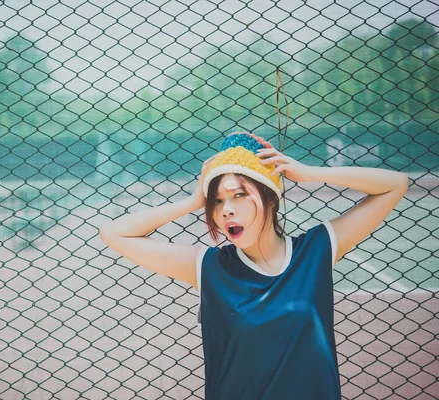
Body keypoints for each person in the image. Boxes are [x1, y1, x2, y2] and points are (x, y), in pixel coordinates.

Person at [99, 131, 409, 399]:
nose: (226, 210)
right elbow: (113, 233)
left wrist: (310, 173)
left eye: (239, 195)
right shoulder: (208, 267)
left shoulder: (315, 251)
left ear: (271, 197)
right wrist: (192, 201)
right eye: (217, 201)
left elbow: (395, 184)